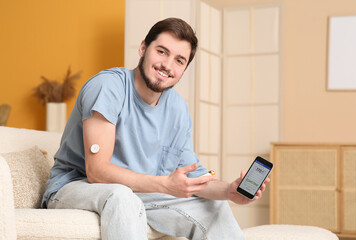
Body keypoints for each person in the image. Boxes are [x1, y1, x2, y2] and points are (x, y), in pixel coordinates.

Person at [42, 17, 269, 240]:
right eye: (161, 52)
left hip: (139, 193)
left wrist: (229, 191)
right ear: (143, 48)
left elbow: (193, 177)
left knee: (215, 208)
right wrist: (165, 185)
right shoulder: (108, 87)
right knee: (122, 196)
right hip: (76, 186)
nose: (167, 65)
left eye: (179, 61)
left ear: (184, 69)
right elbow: (96, 171)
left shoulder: (177, 108)